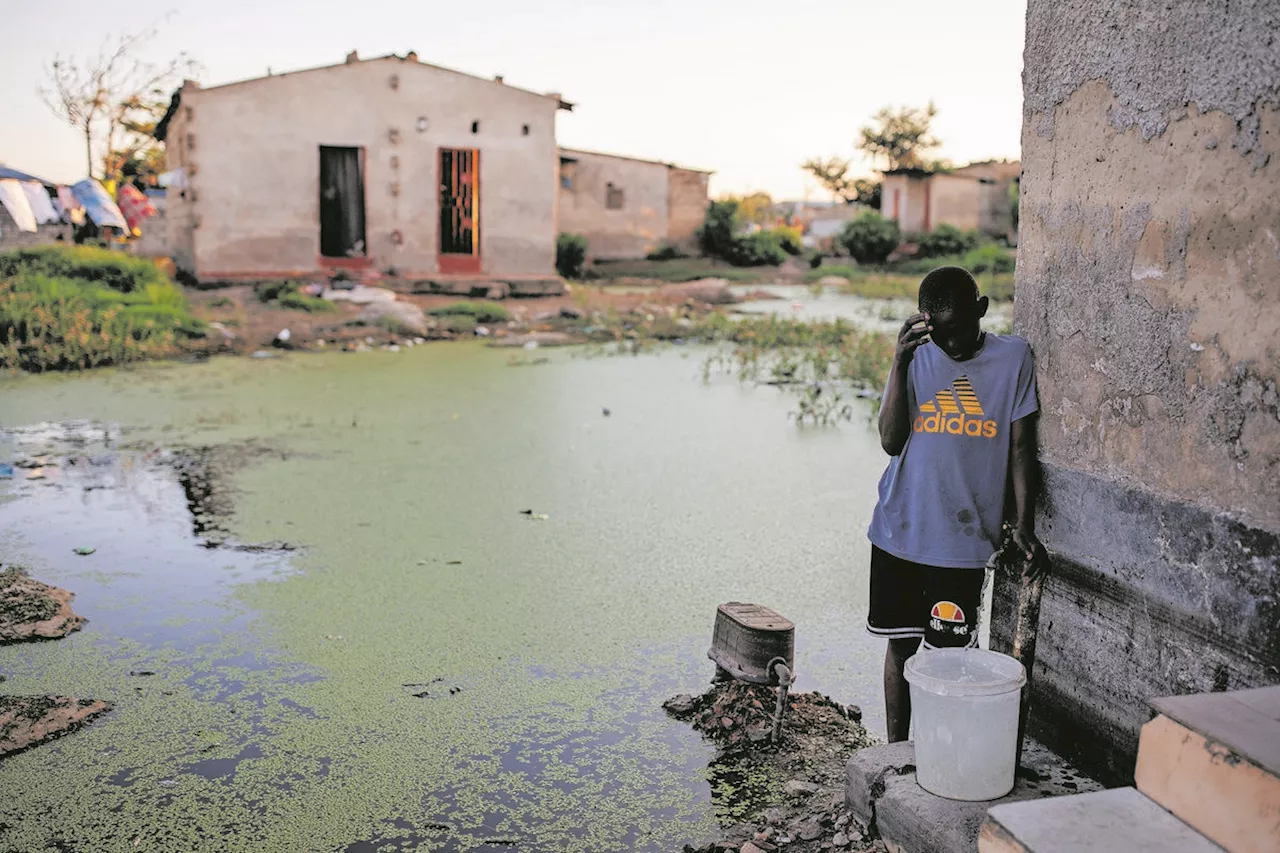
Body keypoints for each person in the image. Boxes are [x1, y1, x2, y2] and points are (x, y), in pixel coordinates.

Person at [866, 265, 1044, 742]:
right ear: (926, 325)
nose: (954, 346)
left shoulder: (1013, 359)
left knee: (950, 658)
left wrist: (1022, 522)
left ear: (982, 311)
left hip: (963, 545)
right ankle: (896, 752)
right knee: (901, 649)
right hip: (901, 531)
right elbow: (889, 440)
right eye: (942, 335)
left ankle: (942, 753)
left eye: (963, 330)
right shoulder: (917, 357)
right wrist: (899, 362)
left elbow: (1022, 446)